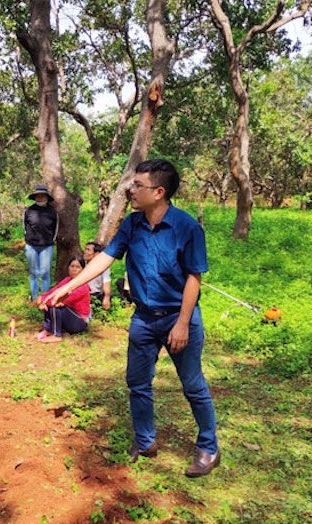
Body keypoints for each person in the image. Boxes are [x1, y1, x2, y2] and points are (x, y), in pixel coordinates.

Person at [44, 159, 219, 478]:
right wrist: (67, 286)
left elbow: (195, 278)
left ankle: (209, 447)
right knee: (137, 383)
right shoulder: (132, 224)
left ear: (159, 192)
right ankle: (145, 441)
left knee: (192, 384)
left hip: (179, 318)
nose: (131, 190)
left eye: (138, 185)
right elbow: (106, 258)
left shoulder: (186, 227)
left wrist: (181, 323)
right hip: (143, 319)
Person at [33, 256, 90, 344]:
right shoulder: (67, 280)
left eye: (77, 267)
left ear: (82, 270)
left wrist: (43, 300)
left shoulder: (83, 286)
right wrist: (44, 299)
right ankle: (48, 329)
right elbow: (54, 291)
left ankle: (56, 335)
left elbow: (65, 299)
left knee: (55, 305)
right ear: (68, 268)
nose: (74, 269)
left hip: (79, 322)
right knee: (51, 303)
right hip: (69, 317)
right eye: (72, 266)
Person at [23, 184, 58, 301]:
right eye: (38, 196)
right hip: (31, 246)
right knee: (33, 273)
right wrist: (28, 239)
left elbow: (55, 228)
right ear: (35, 197)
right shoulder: (29, 211)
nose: (40, 198)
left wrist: (52, 240)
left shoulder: (52, 212)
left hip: (46, 246)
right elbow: (25, 227)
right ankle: (34, 298)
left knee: (44, 273)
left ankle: (44, 298)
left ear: (47, 198)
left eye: (43, 196)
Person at [83, 242, 112, 311]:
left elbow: (106, 283)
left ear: (96, 254)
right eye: (85, 249)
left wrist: (107, 297)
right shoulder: (81, 264)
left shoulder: (103, 267)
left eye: (88, 250)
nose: (85, 252)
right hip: (83, 293)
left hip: (96, 295)